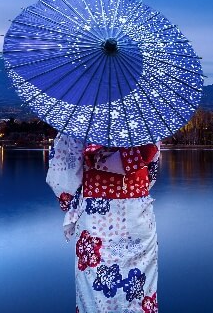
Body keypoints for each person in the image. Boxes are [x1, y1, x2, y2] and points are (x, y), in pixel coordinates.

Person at [46, 134, 160, 313]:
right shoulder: (145, 122)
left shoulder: (82, 121)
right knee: (139, 294)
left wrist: (72, 201)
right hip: (138, 215)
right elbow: (151, 173)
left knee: (95, 296)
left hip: (96, 218)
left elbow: (62, 178)